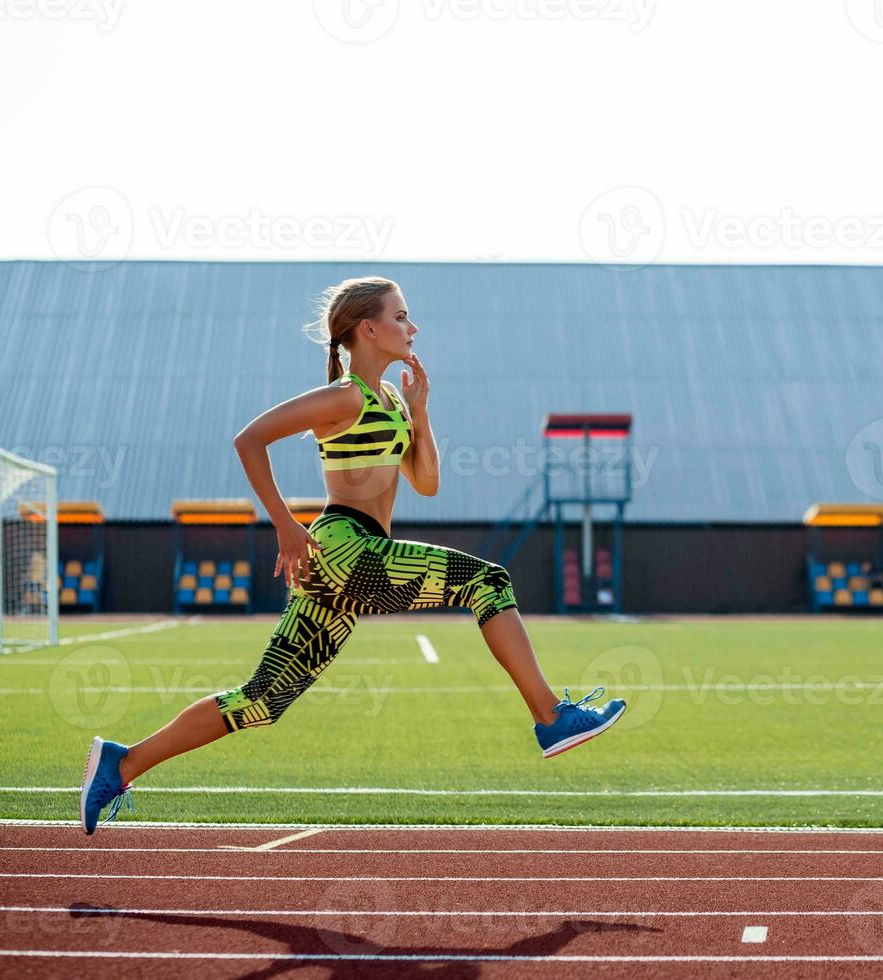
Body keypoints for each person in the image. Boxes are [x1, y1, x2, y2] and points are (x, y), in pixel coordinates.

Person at [78, 277, 626, 834]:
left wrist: (420, 412)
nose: (413, 328)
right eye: (402, 316)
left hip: (352, 557)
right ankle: (551, 717)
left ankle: (121, 764)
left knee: (262, 702)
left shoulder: (389, 400)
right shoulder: (345, 396)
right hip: (343, 547)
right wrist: (286, 524)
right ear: (369, 329)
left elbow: (428, 483)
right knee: (488, 581)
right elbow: (249, 439)